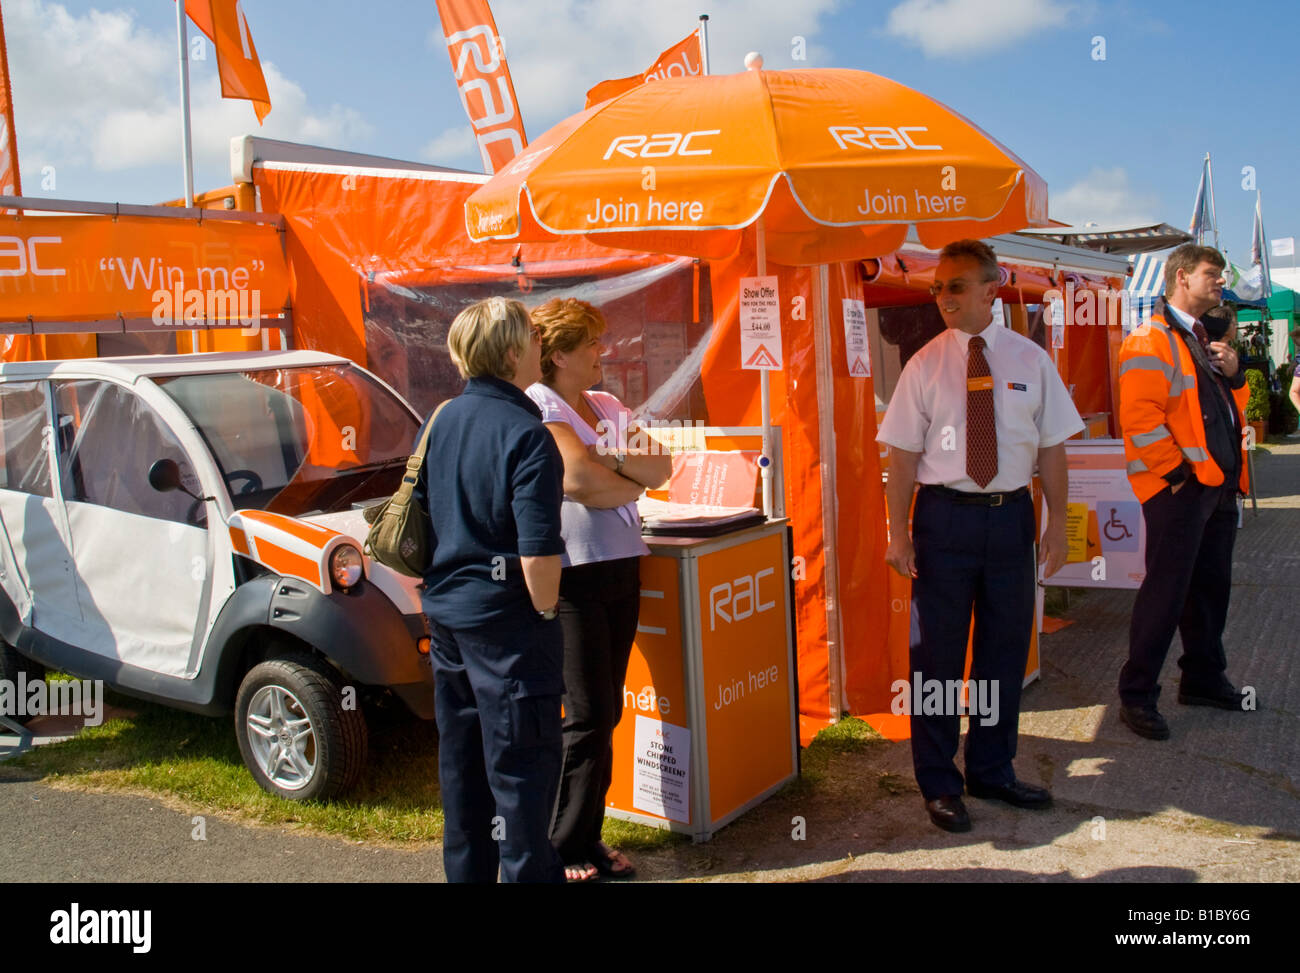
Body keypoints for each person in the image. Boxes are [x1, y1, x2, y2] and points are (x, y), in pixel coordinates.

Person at [877, 239, 1081, 834]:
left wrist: (1058, 523)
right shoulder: (924, 364)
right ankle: (939, 782)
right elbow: (902, 457)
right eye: (938, 286)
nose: (944, 296)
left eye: (958, 285)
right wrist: (898, 533)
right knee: (936, 658)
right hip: (944, 521)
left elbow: (1052, 448)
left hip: (1011, 517)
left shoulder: (1030, 360)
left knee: (1003, 651)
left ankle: (992, 768)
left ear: (992, 289)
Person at [414, 296, 567, 883]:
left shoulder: (442, 419)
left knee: (464, 773)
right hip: (508, 631)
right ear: (510, 353)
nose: (541, 347)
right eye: (532, 338)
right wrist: (549, 612)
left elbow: (425, 516)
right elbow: (538, 556)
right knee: (522, 781)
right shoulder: (529, 435)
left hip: (450, 620)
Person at [526, 298, 671, 881]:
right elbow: (576, 479)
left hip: (620, 564)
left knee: (605, 709)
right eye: (591, 343)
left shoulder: (607, 403)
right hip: (574, 573)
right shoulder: (541, 401)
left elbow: (661, 470)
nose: (601, 352)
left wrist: (609, 464)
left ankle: (586, 836)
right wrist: (620, 474)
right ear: (558, 353)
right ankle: (562, 846)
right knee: (586, 715)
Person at [1117, 245, 1251, 740]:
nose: (1220, 283)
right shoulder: (1149, 339)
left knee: (1211, 589)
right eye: (1211, 275)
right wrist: (1177, 476)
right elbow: (1140, 420)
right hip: (1180, 489)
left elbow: (1228, 411)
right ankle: (1136, 694)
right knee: (1166, 594)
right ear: (1180, 277)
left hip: (1214, 489)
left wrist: (1235, 373)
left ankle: (1202, 678)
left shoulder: (1201, 338)